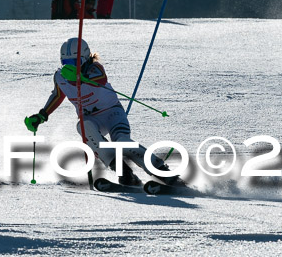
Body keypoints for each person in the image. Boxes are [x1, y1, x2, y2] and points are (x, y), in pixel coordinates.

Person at [24, 37, 176, 186]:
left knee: (121, 142)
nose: (70, 66)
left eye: (75, 62)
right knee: (83, 126)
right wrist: (41, 115)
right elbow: (57, 95)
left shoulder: (94, 68)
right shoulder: (60, 77)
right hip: (92, 119)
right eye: (66, 63)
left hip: (112, 114)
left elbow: (101, 79)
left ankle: (161, 170)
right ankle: (123, 171)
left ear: (85, 59)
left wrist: (80, 77)